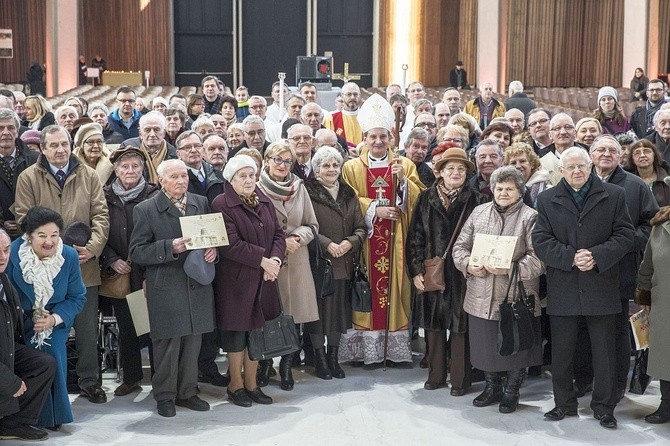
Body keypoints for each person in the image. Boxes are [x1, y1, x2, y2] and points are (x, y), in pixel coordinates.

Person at [532, 147, 634, 429]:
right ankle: (563, 404)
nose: (577, 171)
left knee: (605, 352)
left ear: (590, 167)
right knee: (562, 352)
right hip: (563, 285)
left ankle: (604, 407)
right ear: (561, 171)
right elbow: (540, 239)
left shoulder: (614, 195)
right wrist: (570, 257)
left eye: (582, 166)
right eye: (571, 167)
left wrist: (597, 256)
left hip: (601, 284)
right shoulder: (546, 199)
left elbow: (625, 234)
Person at [15, 125, 110, 406]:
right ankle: (44, 387)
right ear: (42, 148)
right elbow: (25, 219)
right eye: (53, 145)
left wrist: (92, 249)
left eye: (64, 144)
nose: (60, 150)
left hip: (84, 265)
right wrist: (51, 251)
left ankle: (89, 381)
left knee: (86, 328)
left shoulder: (89, 175)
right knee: (42, 327)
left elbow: (101, 215)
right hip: (42, 269)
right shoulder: (28, 177)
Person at [340, 94, 424, 365]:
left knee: (396, 290)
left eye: (383, 137)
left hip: (397, 241)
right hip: (367, 242)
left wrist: (403, 184)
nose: (378, 142)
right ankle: (368, 352)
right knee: (368, 294)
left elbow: (419, 198)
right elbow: (347, 200)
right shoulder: (352, 167)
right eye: (373, 136)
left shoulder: (405, 165)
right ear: (364, 137)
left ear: (391, 138)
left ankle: (393, 352)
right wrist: (375, 209)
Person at [129, 159, 216, 417]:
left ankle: (188, 391)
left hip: (197, 282)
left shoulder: (200, 202)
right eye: (175, 177)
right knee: (167, 343)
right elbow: (136, 252)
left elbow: (210, 237)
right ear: (161, 180)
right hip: (166, 285)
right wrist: (170, 248)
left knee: (193, 341)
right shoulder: (146, 209)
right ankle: (165, 396)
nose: (181, 181)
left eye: (184, 176)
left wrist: (213, 251)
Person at [453, 166, 543, 412]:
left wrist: (509, 269)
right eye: (499, 188)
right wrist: (469, 264)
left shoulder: (531, 217)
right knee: (485, 347)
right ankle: (492, 387)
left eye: (510, 189)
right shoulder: (479, 212)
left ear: (520, 191)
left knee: (516, 348)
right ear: (492, 189)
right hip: (480, 293)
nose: (504, 192)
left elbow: (539, 259)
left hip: (515, 296)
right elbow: (459, 248)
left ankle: (512, 391)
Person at [407, 147, 483, 395]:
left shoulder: (478, 200)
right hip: (433, 270)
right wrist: (416, 270)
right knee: (434, 324)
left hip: (465, 273)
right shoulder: (426, 198)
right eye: (450, 168)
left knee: (462, 327)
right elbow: (415, 236)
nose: (456, 172)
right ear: (439, 172)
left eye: (461, 169)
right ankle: (436, 375)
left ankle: (461, 380)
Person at [211, 155, 285, 407]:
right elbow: (229, 243)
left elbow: (278, 233)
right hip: (236, 281)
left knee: (256, 333)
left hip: (264, 277)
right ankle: (235, 384)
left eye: (251, 175)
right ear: (231, 180)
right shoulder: (221, 203)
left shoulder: (264, 200)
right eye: (242, 176)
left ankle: (252, 384)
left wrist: (274, 260)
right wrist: (263, 261)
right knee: (236, 334)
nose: (248, 180)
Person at [7, 207, 86, 430]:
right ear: (29, 236)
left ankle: (54, 416)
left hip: (55, 321)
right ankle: (24, 416)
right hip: (20, 322)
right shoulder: (12, 255)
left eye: (54, 235)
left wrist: (54, 319)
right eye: (42, 235)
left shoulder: (68, 256)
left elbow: (77, 296)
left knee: (52, 348)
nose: (49, 241)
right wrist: (29, 319)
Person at [257, 140, 319, 390]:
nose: (282, 165)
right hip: (267, 262)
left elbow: (312, 225)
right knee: (264, 316)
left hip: (295, 261)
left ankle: (286, 366)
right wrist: (279, 244)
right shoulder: (257, 188)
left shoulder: (299, 188)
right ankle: (263, 365)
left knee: (292, 318)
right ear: (267, 160)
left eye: (287, 161)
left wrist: (296, 238)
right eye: (277, 159)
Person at [99, 146, 159, 397]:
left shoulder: (153, 195)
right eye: (125, 166)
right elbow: (99, 231)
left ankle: (161, 379)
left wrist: (145, 268)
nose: (130, 171)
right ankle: (132, 377)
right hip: (120, 275)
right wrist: (112, 259)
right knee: (127, 329)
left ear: (143, 168)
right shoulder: (103, 196)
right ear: (115, 169)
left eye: (135, 166)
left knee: (156, 329)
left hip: (150, 273)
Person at [304, 146, 367, 380]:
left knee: (338, 313)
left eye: (335, 165)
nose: (331, 169)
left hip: (343, 262)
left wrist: (350, 243)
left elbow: (361, 227)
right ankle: (319, 359)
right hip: (318, 263)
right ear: (316, 169)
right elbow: (304, 225)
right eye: (325, 165)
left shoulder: (349, 193)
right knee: (318, 314)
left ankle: (333, 357)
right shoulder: (307, 192)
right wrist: (326, 244)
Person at [0, 228, 56, 441]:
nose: (2, 256)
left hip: (6, 348)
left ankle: (12, 423)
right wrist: (9, 382)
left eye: (6, 250)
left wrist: (38, 317)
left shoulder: (4, 280)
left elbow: (13, 322)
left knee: (43, 363)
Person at [636, 206, 670, 424]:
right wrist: (644, 297)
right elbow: (647, 265)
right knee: (666, 357)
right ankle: (666, 404)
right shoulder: (660, 226)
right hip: (664, 302)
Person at [0, 108, 38, 240]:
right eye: (1, 128)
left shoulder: (36, 160)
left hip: (32, 233)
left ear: (17, 132)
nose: (5, 132)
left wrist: (24, 223)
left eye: (10, 127)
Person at [504, 142, 550, 208]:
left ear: (532, 164)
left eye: (522, 161)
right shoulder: (504, 190)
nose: (518, 166)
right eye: (513, 163)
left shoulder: (547, 190)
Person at [626, 139, 670, 206]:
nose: (642, 155)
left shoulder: (667, 177)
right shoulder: (626, 181)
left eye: (647, 151)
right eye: (637, 153)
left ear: (654, 155)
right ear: (632, 159)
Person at [323, 82, 363, 149]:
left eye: (355, 94)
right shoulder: (331, 119)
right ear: (342, 96)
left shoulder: (368, 117)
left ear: (360, 96)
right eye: (349, 94)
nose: (352, 97)